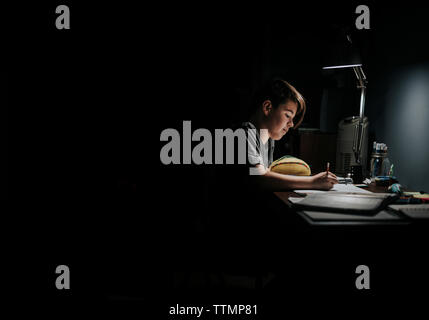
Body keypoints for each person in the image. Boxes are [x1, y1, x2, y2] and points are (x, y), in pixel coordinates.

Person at [242, 78, 338, 190]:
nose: (291, 124)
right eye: (288, 115)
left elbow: (265, 173)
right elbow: (259, 177)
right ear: (268, 107)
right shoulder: (242, 134)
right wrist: (312, 182)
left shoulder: (266, 138)